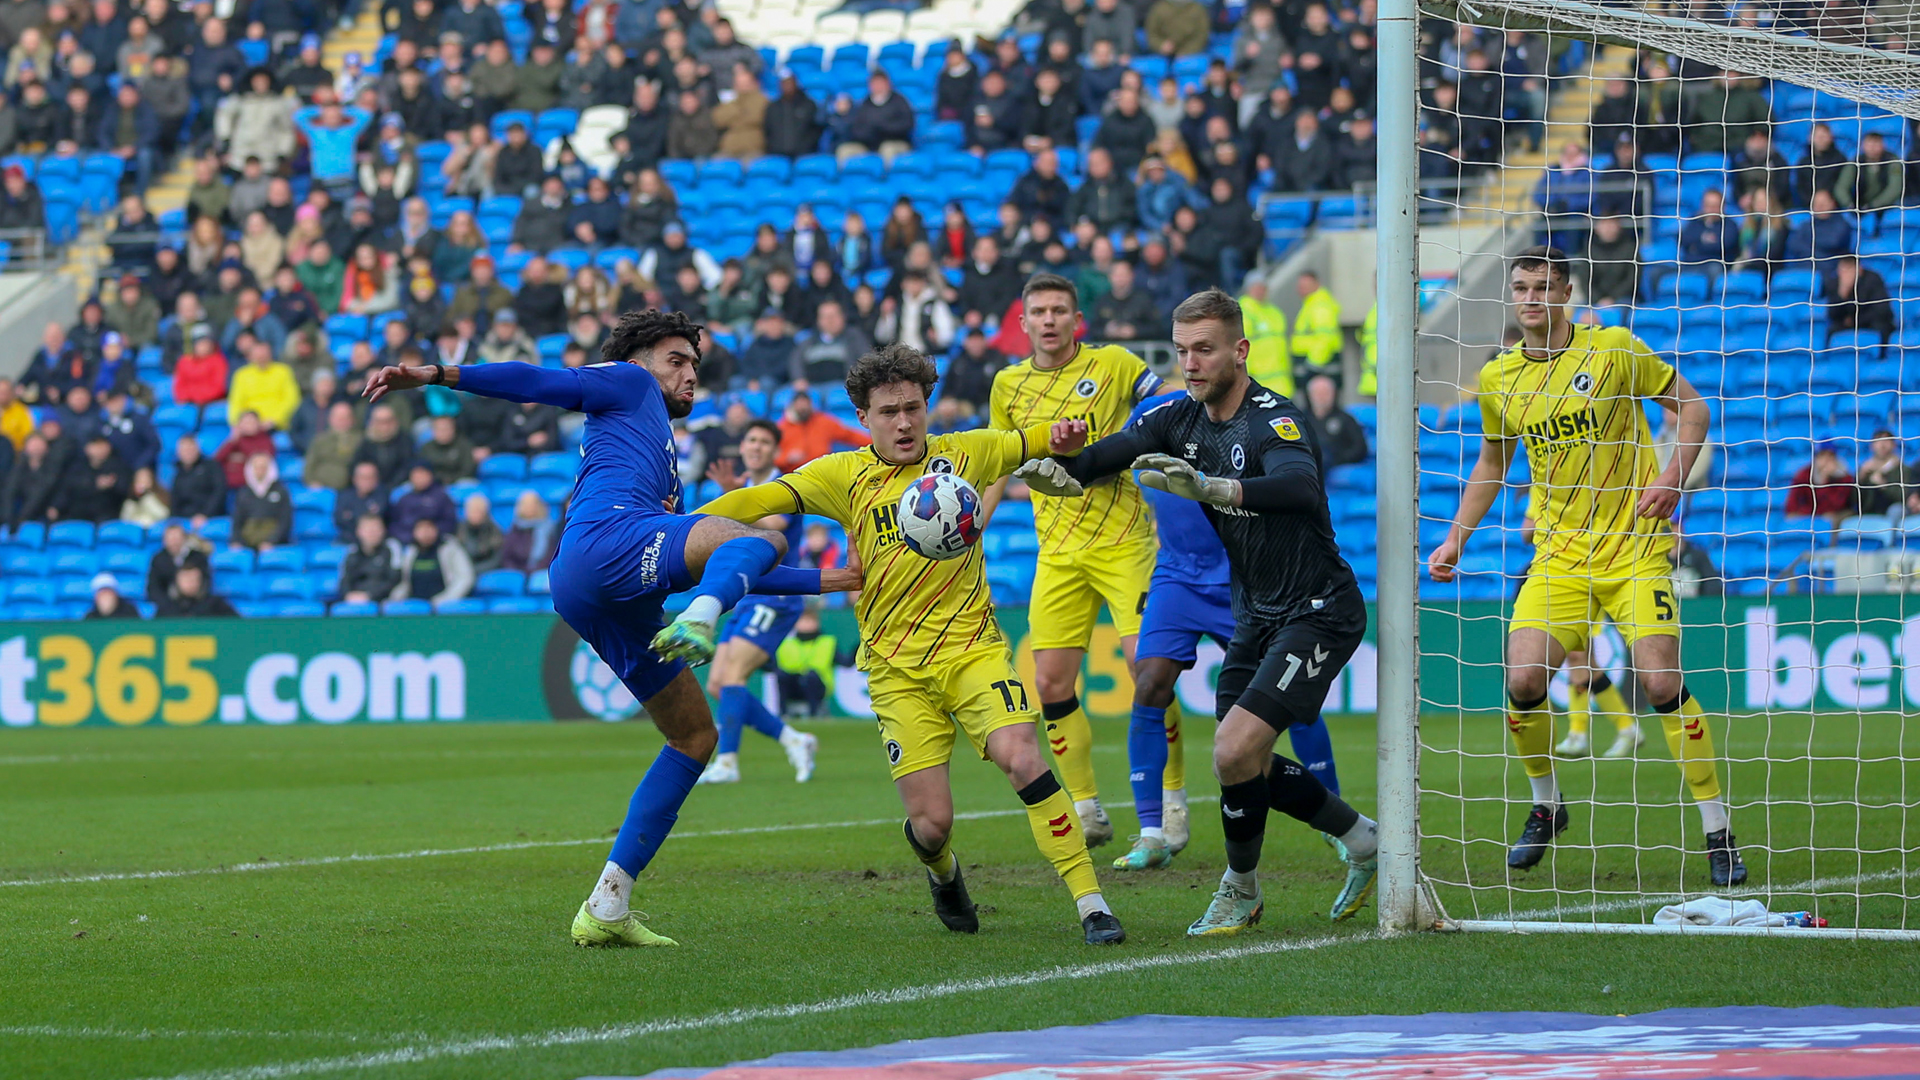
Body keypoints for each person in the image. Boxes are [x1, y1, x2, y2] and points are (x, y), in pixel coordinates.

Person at [361, 309, 862, 948]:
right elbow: (536, 381)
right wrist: (437, 375)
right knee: (759, 536)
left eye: (695, 366)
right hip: (610, 542)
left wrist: (835, 581)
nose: (688, 376)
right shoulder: (627, 382)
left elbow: (733, 560)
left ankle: (608, 904)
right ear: (642, 357)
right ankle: (702, 616)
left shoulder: (654, 447)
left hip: (598, 586)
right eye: (676, 361)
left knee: (694, 736)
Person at [699, 343, 1125, 945]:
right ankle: (944, 873)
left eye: (913, 408)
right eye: (888, 412)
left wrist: (1065, 433)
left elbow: (1034, 440)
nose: (903, 422)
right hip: (896, 671)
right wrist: (686, 525)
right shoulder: (841, 476)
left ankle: (1091, 904)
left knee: (1024, 759)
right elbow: (760, 500)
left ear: (927, 407)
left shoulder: (966, 453)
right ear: (865, 418)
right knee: (932, 824)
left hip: (973, 651)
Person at [1049, 288, 1380, 933]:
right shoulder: (1175, 417)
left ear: (1240, 350)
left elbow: (1300, 486)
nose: (1191, 364)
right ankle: (1366, 843)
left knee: (1232, 752)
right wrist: (1063, 455)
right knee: (1242, 759)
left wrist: (1215, 488)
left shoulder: (1273, 418)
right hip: (1255, 612)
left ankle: (1241, 888)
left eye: (1204, 350)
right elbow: (1096, 461)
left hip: (1317, 609)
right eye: (1181, 352)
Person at [1427, 246, 1745, 886]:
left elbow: (1694, 410)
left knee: (1659, 682)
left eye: (1544, 287)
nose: (1531, 298)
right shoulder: (1499, 379)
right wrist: (1457, 537)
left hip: (1634, 547)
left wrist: (1673, 478)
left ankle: (1718, 831)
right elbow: (1494, 462)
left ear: (1566, 292)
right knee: (1522, 679)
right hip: (1559, 558)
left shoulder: (1614, 349)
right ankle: (1547, 805)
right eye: (1521, 288)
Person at [1111, 387, 1346, 873]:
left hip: (1241, 577)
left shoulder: (1239, 430)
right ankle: (1153, 832)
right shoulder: (1151, 422)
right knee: (1149, 681)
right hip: (1177, 576)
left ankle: (1334, 819)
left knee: (1291, 702)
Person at [979, 274, 1166, 850]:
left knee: (1150, 673)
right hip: (1057, 552)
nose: (1050, 320)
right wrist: (972, 528)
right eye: (1039, 311)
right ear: (1024, 323)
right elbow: (998, 461)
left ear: (1076, 318)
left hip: (1125, 540)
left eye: (1060, 310)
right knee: (1050, 681)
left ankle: (1172, 806)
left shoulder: (1112, 363)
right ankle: (1086, 807)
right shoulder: (1007, 384)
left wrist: (1125, 443)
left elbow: (1168, 401)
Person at [696, 419, 821, 785]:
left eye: (764, 442)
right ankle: (794, 739)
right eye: (751, 440)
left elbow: (775, 523)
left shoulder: (783, 485)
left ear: (773, 451)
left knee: (734, 676)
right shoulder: (746, 487)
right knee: (718, 685)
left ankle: (728, 763)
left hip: (777, 596)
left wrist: (734, 500)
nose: (755, 447)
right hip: (750, 594)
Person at [1289, 270, 1343, 390]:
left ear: (1316, 284)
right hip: (1312, 365)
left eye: (1305, 286)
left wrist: (1313, 366)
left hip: (1317, 369)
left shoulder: (1320, 306)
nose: (1301, 289)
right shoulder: (1311, 304)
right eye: (1300, 286)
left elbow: (1325, 338)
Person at [1786, 440, 1857, 528]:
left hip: (1838, 513)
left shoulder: (1844, 477)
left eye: (1830, 456)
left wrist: (1824, 480)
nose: (1826, 460)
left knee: (1830, 519)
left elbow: (1836, 505)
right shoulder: (1805, 474)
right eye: (1822, 455)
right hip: (1813, 514)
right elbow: (1792, 504)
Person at [1302, 374, 1368, 466]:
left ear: (1334, 394)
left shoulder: (1346, 419)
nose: (1322, 397)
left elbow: (1360, 448)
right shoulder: (1301, 419)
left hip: (1336, 465)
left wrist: (1338, 459)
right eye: (1317, 393)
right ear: (1309, 395)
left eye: (1326, 392)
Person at [233, 451, 292, 550]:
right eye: (256, 467)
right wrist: (236, 541)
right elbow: (237, 520)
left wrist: (272, 541)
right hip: (248, 542)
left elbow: (285, 520)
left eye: (263, 467)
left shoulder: (281, 491)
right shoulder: (243, 493)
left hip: (274, 544)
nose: (260, 471)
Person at [1856, 431, 1909, 518]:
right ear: (1872, 446)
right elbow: (1854, 500)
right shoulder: (1866, 468)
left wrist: (1884, 485)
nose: (1882, 445)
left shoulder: (1902, 469)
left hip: (1892, 509)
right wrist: (1861, 478)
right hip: (1869, 511)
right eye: (1878, 440)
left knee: (1896, 511)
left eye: (1887, 440)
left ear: (1894, 445)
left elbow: (1904, 497)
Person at [155, 563, 239, 617]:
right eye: (186, 579)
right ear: (177, 582)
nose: (190, 583)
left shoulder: (215, 604)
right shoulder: (166, 607)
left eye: (194, 579)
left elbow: (236, 624)